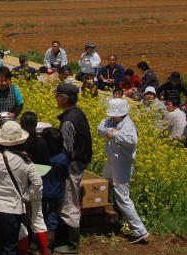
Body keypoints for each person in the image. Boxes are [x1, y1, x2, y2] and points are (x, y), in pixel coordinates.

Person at [0, 121, 47, 255]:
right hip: (13, 210)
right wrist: (27, 196)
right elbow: (38, 182)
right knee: (9, 247)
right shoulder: (25, 160)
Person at [97, 98, 149, 244]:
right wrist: (109, 131)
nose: (112, 116)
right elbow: (99, 129)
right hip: (111, 161)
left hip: (122, 164)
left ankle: (140, 230)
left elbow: (132, 141)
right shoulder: (111, 121)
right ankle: (107, 217)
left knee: (122, 197)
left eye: (114, 114)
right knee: (104, 184)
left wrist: (115, 134)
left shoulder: (128, 125)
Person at [53, 83, 92, 254]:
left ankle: (72, 245)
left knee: (70, 204)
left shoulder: (68, 121)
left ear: (64, 98)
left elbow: (67, 150)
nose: (55, 98)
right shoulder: (78, 113)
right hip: (80, 164)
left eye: (57, 95)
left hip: (72, 167)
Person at [40, 128, 70, 252]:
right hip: (57, 192)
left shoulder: (42, 156)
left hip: (42, 191)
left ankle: (37, 242)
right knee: (52, 217)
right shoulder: (63, 158)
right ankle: (49, 246)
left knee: (40, 216)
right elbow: (65, 174)